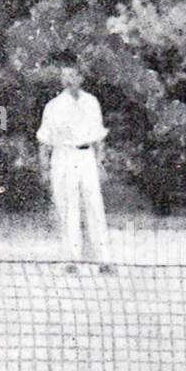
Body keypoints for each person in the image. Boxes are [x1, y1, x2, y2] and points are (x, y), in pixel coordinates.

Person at [36, 51, 113, 270]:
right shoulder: (53, 106)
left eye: (74, 76)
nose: (70, 80)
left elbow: (99, 138)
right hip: (64, 156)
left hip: (87, 156)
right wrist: (43, 168)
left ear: (81, 78)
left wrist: (101, 163)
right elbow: (44, 141)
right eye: (65, 76)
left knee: (94, 206)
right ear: (62, 79)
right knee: (67, 206)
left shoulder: (92, 102)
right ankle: (71, 259)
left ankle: (103, 260)